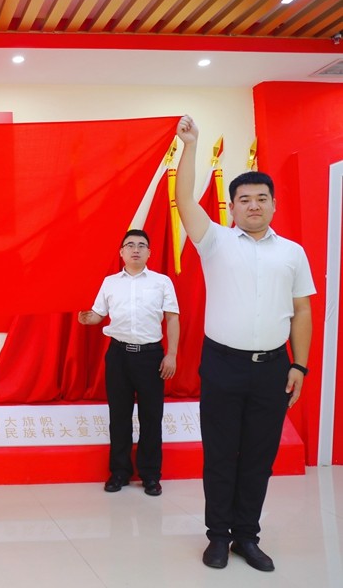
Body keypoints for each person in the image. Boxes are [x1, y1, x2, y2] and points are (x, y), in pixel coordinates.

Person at [175, 115, 315, 572]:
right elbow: (183, 200)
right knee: (220, 454)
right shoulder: (215, 240)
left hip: (273, 368)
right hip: (222, 365)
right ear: (232, 207)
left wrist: (299, 366)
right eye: (244, 199)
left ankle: (246, 537)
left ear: (273, 204)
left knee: (258, 456)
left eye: (261, 198)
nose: (253, 205)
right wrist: (190, 145)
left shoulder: (292, 252)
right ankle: (218, 537)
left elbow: (302, 311)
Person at [78, 229, 179, 497]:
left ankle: (150, 475)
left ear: (149, 252)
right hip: (118, 356)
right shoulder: (110, 282)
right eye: (130, 245)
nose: (136, 249)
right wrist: (87, 318)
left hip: (150, 357)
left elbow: (172, 318)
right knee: (119, 416)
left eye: (141, 245)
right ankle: (119, 472)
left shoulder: (161, 282)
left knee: (151, 417)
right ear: (121, 252)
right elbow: (98, 315)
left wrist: (171, 355)